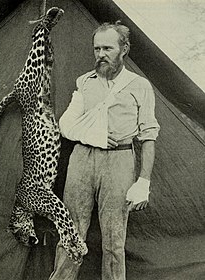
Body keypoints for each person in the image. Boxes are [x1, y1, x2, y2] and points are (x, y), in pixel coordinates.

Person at [49, 21, 160, 280]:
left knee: (114, 238)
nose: (101, 54)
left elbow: (148, 136)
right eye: (97, 48)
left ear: (124, 49)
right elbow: (66, 125)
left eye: (107, 48)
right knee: (70, 232)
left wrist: (143, 181)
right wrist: (93, 135)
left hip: (120, 161)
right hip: (82, 159)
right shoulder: (85, 82)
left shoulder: (140, 86)